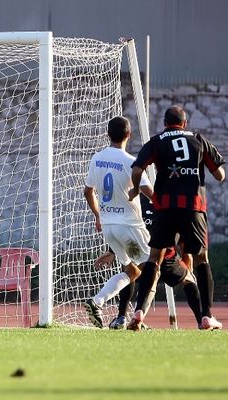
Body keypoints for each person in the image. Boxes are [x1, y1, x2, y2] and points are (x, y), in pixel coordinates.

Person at [128, 106, 225, 331]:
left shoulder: (158, 140)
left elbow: (137, 171)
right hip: (193, 207)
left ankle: (140, 311)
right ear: (185, 122)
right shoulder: (199, 139)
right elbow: (220, 175)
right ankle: (207, 317)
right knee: (201, 259)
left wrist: (135, 189)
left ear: (165, 122)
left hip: (165, 207)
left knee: (154, 258)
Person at [83, 116, 154, 328]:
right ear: (128, 135)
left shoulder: (96, 158)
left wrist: (98, 215)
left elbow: (88, 192)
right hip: (131, 226)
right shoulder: (132, 162)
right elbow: (149, 193)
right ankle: (137, 318)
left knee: (132, 271)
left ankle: (97, 302)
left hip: (108, 227)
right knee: (154, 266)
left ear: (108, 134)